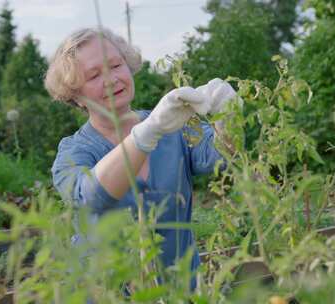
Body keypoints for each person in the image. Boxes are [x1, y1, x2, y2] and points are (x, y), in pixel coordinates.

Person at [44, 27, 239, 287]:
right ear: (76, 96)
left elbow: (223, 156)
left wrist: (227, 119)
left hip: (179, 287)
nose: (112, 80)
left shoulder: (174, 125)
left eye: (115, 65)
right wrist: (146, 134)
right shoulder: (74, 151)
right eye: (93, 76)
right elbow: (90, 194)